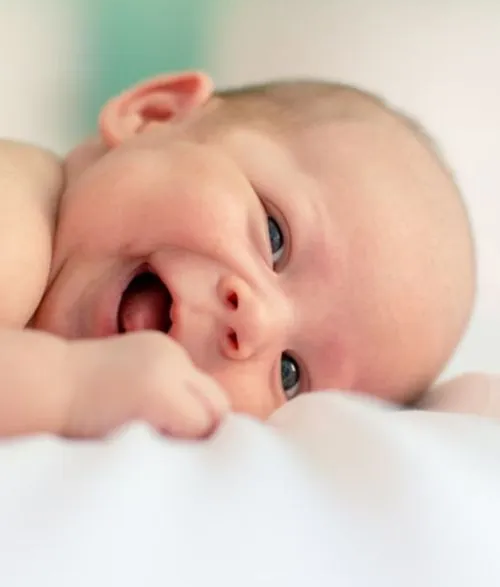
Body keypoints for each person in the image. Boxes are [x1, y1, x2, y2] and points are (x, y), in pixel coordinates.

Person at [0, 71, 476, 439]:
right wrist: (69, 390)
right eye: (274, 237)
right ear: (155, 115)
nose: (255, 324)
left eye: (290, 375)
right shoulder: (18, 217)